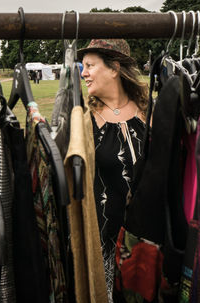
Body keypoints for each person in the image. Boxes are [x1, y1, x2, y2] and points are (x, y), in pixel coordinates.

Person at [77, 39, 148, 301]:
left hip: (146, 242)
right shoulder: (84, 119)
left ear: (114, 68)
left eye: (90, 66)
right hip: (104, 246)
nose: (83, 73)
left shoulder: (147, 112)